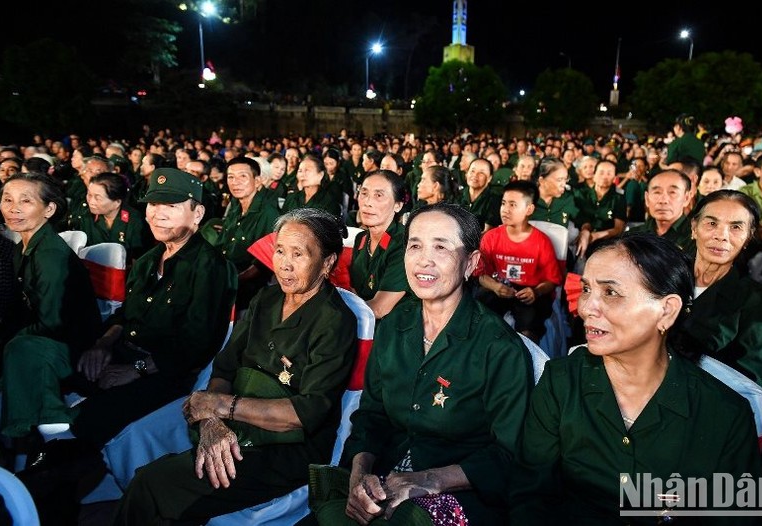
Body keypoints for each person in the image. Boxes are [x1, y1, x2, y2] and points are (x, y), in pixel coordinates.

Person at [114, 208, 358, 524]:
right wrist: (212, 422)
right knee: (151, 459)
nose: (284, 263)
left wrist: (221, 407)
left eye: (298, 254)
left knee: (152, 484)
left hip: (287, 450)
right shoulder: (266, 300)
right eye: (280, 250)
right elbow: (225, 368)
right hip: (237, 426)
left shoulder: (334, 321)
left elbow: (304, 413)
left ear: (326, 262)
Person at [304, 202, 534, 525]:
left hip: (460, 495)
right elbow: (371, 415)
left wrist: (431, 480)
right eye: (415, 245)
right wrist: (359, 473)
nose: (424, 259)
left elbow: (509, 454)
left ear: (471, 263)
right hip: (386, 478)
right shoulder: (395, 325)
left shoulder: (498, 348)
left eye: (441, 247)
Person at [510, 231, 762, 524]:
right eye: (587, 289)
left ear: (667, 310)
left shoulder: (724, 415)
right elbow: (529, 494)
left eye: (611, 292)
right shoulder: (561, 382)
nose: (586, 308)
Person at [19, 168, 238, 483]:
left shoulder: (212, 268)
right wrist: (102, 345)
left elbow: (196, 344)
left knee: (85, 420)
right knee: (44, 380)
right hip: (123, 356)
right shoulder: (149, 261)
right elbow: (125, 316)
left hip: (166, 374)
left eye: (172, 206)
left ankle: (43, 494)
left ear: (197, 213)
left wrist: (136, 369)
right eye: (153, 205)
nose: (158, 214)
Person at [0, 172, 102, 469]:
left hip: (69, 348)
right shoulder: (22, 248)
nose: (13, 208)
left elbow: (52, 321)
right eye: (7, 199)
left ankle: (37, 444)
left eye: (25, 201)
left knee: (19, 350)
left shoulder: (51, 255)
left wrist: (8, 340)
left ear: (50, 209)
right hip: (40, 339)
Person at [680, 190, 762, 388]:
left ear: (748, 238)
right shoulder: (663, 278)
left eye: (735, 227)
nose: (721, 236)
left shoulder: (756, 301)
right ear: (694, 228)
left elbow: (751, 379)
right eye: (712, 223)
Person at [475, 180, 563, 341]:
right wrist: (495, 286)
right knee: (478, 316)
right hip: (500, 287)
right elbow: (481, 274)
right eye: (503, 203)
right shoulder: (490, 237)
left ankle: (525, 361)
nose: (505, 210)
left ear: (529, 209)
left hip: (529, 291)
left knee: (529, 327)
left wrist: (535, 292)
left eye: (513, 205)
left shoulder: (541, 241)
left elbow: (552, 280)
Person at [201, 157, 279, 313]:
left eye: (243, 176)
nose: (235, 182)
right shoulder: (235, 207)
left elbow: (262, 265)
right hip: (223, 276)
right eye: (231, 177)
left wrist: (232, 281)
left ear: (257, 181)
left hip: (247, 289)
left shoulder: (268, 213)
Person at [350, 169, 409, 320]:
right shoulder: (361, 239)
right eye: (364, 193)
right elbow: (355, 292)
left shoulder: (403, 245)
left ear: (398, 205)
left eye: (378, 195)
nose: (367, 202)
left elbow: (378, 309)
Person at [69, 172, 146, 261]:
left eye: (98, 198)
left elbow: (138, 258)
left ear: (117, 202)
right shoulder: (85, 216)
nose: (91, 202)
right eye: (89, 195)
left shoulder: (135, 220)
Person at [629, 169, 695, 251]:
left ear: (686, 198)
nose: (663, 200)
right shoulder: (634, 236)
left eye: (672, 192)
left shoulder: (696, 237)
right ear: (647, 198)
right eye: (657, 192)